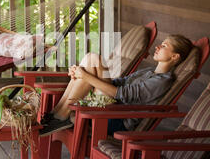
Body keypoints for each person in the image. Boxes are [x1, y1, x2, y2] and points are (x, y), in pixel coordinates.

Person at [39, 34, 194, 137]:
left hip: (115, 118)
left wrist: (86, 76)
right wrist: (83, 74)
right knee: (91, 59)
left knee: (93, 60)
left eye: (165, 46)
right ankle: (57, 114)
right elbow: (118, 83)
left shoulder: (162, 81)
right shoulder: (148, 71)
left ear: (174, 56)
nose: (158, 47)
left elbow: (122, 94)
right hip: (109, 106)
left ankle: (59, 116)